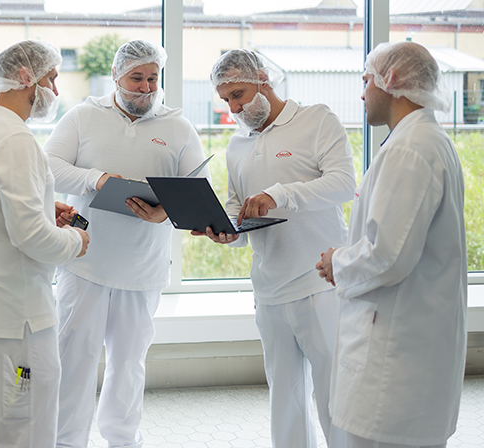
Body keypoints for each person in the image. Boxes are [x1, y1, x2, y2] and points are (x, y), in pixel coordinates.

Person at [42, 39, 210, 448]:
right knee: (74, 357)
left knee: (128, 363)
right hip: (85, 263)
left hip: (143, 268)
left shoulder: (178, 126)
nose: (146, 88)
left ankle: (122, 439)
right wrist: (96, 179)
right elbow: (48, 167)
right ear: (116, 76)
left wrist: (165, 212)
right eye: (136, 78)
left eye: (153, 78)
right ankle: (66, 441)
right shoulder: (83, 116)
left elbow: (196, 191)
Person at [193, 49, 356, 448]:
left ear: (264, 78)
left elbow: (342, 184)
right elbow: (238, 202)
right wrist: (228, 229)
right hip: (269, 288)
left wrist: (279, 193)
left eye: (239, 93)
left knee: (335, 394)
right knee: (285, 397)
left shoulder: (317, 119)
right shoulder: (237, 144)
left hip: (322, 281)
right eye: (227, 99)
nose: (234, 106)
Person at [317, 41, 467, 448]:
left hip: (394, 370)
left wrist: (337, 262)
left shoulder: (412, 149)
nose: (362, 92)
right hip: (405, 353)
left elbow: (388, 255)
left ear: (393, 80)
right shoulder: (420, 141)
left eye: (366, 80)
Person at [0, 40, 90, 448]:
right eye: (52, 78)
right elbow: (31, 238)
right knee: (24, 427)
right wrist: (75, 240)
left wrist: (45, 208)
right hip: (17, 321)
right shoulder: (16, 140)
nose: (55, 92)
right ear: (27, 77)